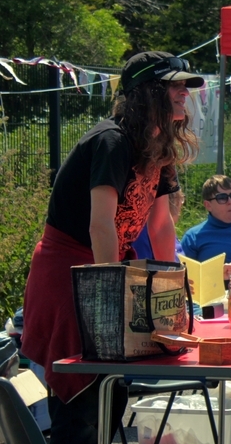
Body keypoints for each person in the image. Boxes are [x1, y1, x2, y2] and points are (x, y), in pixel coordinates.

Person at [21, 51, 202, 443]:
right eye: (174, 84)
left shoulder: (158, 146)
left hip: (109, 269)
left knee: (113, 392)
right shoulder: (111, 141)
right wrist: (110, 294)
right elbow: (99, 223)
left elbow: (160, 224)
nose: (184, 93)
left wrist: (171, 292)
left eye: (184, 85)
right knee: (82, 406)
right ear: (147, 92)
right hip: (71, 276)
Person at [180, 174, 231, 282]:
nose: (230, 201)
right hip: (214, 290)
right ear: (208, 205)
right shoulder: (193, 237)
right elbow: (186, 277)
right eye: (222, 198)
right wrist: (215, 273)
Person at [131, 188, 186, 260]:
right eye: (181, 200)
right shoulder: (145, 233)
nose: (181, 207)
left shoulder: (167, 232)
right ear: (174, 202)